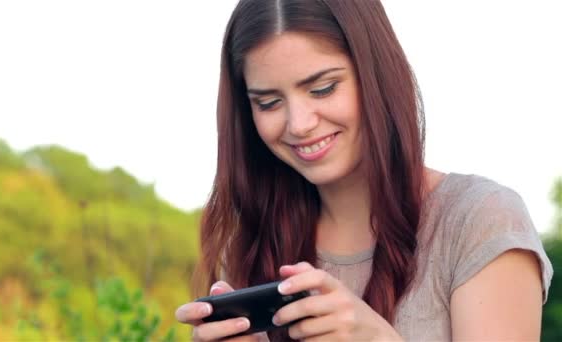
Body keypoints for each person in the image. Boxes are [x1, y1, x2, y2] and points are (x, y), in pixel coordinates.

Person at [175, 0, 553, 340]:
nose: (299, 124)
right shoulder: (249, 243)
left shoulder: (480, 219)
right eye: (270, 103)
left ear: (376, 75)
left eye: (323, 89)